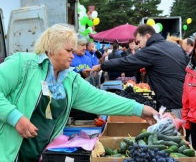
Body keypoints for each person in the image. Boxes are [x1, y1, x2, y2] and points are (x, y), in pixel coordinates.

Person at [0, 24, 158, 162]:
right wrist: (15, 118)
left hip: (42, 155)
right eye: (68, 50)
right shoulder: (23, 64)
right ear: (52, 48)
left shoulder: (70, 80)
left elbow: (100, 99)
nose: (72, 55)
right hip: (8, 154)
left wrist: (140, 109)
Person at [92, 24, 190, 118]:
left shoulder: (151, 50)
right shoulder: (176, 47)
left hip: (172, 104)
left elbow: (126, 62)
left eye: (138, 42)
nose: (138, 46)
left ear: (147, 37)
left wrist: (101, 66)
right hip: (186, 102)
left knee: (174, 134)